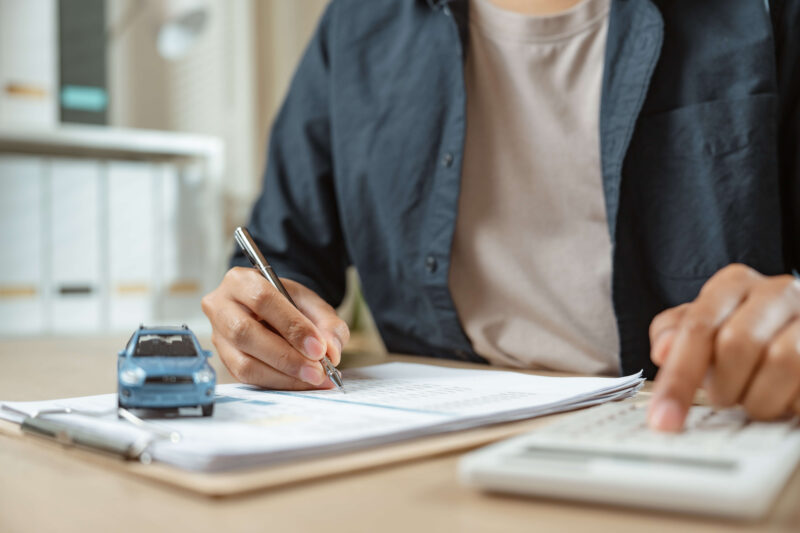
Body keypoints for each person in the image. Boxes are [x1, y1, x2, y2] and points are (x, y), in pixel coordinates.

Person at [202, 0, 800, 432]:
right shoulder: (357, 25)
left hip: (692, 428)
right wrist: (258, 315)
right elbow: (280, 258)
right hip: (424, 446)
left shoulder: (766, 13)